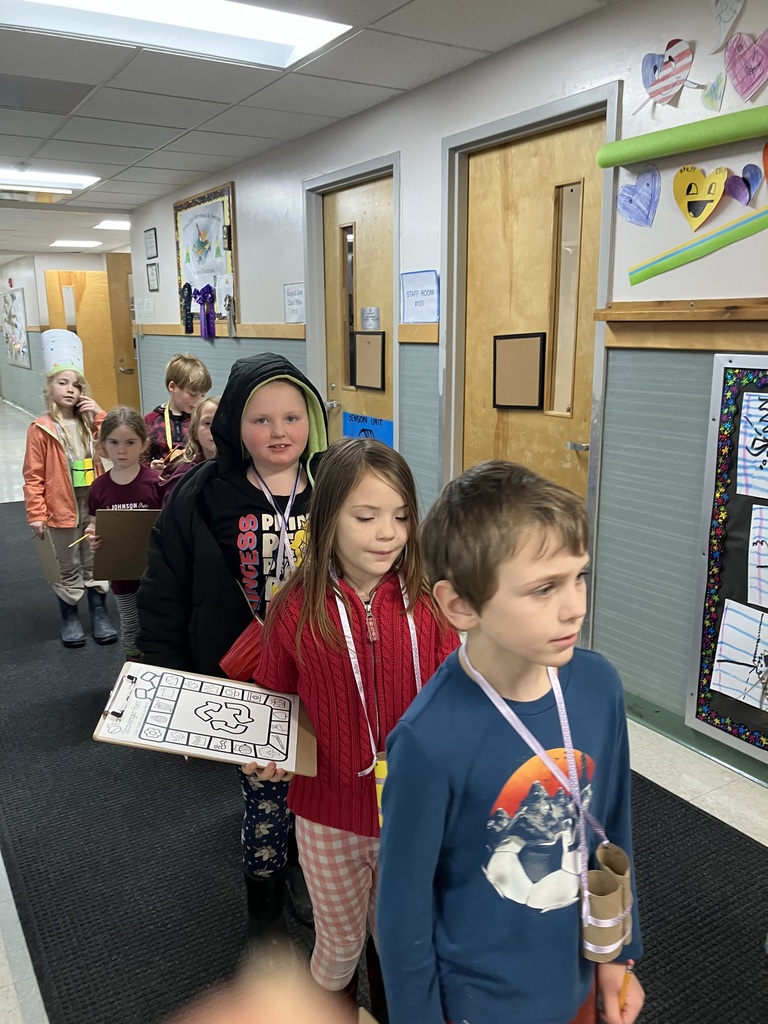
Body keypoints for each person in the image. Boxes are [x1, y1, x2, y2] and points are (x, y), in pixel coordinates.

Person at [376, 461, 645, 1024]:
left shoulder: (598, 687)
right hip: (481, 1006)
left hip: (575, 986)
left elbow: (610, 830)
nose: (574, 606)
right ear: (460, 606)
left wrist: (616, 955)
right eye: (544, 588)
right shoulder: (428, 742)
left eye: (579, 577)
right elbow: (403, 917)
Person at [249, 437, 459, 1019]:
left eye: (400, 516)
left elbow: (459, 702)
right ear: (328, 520)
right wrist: (264, 750)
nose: (387, 533)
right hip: (327, 815)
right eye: (366, 517)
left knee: (400, 944)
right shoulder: (296, 604)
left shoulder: (431, 601)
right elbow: (274, 697)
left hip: (414, 815)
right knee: (338, 947)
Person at [137, 353, 328, 936]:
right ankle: (263, 903)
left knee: (318, 782)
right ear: (235, 427)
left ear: (313, 422)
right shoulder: (203, 495)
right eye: (261, 420)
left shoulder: (333, 487)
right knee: (265, 788)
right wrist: (165, 676)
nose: (278, 433)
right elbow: (166, 587)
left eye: (292, 418)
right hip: (246, 677)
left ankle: (306, 868)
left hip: (321, 671)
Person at [22, 329, 117, 648]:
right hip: (59, 507)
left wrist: (99, 414)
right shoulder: (40, 429)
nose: (70, 390)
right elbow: (32, 474)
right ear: (49, 386)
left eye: (76, 385)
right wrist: (36, 513)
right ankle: (70, 615)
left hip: (92, 503)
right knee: (67, 561)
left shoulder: (90, 423)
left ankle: (100, 612)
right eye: (63, 382)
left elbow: (111, 448)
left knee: (95, 555)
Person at [86, 407, 163, 659]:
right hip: (121, 574)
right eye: (114, 442)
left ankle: (157, 671)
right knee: (130, 626)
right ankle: (131, 672)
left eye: (130, 442)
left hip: (155, 574)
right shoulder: (99, 487)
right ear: (103, 445)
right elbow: (93, 523)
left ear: (143, 444)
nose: (122, 450)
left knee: (158, 624)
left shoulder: (156, 483)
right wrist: (92, 536)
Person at [144, 351, 212, 473]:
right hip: (164, 484)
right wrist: (150, 468)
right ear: (173, 387)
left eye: (203, 395)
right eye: (192, 394)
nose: (198, 400)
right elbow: (140, 457)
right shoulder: (151, 421)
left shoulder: (204, 420)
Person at [160, 394, 220, 506]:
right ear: (195, 432)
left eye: (220, 422)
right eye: (207, 423)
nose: (214, 429)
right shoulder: (183, 475)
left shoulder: (246, 469)